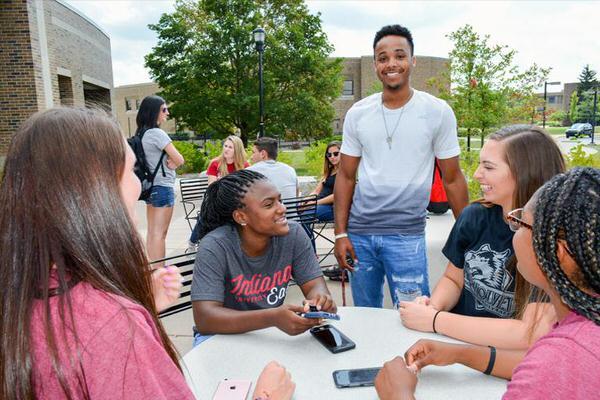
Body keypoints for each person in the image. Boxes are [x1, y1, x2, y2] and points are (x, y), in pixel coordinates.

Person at [0, 107, 295, 399]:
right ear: (95, 191)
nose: (139, 183)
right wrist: (267, 397)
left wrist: (140, 305)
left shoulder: (20, 297)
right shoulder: (112, 324)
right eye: (131, 170)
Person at [374, 167, 600, 400]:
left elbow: (548, 368)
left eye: (521, 223)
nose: (514, 231)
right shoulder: (583, 322)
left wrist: (398, 394)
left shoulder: (560, 362)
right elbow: (531, 358)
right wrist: (461, 354)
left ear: (558, 251)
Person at [334, 24, 469, 308]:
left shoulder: (437, 112)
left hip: (407, 236)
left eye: (399, 55)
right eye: (383, 58)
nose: (391, 63)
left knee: (413, 316)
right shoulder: (358, 113)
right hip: (361, 235)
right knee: (364, 314)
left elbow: (453, 179)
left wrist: (469, 233)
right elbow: (346, 177)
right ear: (375, 65)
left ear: (412, 60)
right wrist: (340, 233)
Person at [399, 125, 566, 349]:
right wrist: (431, 308)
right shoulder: (474, 216)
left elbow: (530, 332)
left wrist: (436, 321)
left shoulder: (553, 240)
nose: (477, 174)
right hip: (455, 343)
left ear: (525, 173)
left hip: (504, 358)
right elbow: (453, 279)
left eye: (488, 167)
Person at [190, 170, 337, 346]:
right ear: (241, 216)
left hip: (269, 333)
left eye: (280, 200)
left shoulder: (294, 234)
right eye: (269, 205)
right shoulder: (215, 246)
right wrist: (272, 317)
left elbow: (314, 285)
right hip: (220, 336)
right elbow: (206, 319)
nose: (282, 208)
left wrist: (320, 300)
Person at [136, 95, 184, 265]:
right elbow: (179, 159)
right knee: (160, 234)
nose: (167, 113)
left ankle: (152, 270)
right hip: (162, 188)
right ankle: (160, 272)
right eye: (164, 109)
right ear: (154, 112)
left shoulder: (142, 134)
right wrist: (173, 163)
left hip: (151, 188)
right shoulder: (157, 133)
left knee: (152, 232)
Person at [188, 135, 250, 249]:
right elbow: (211, 188)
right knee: (208, 213)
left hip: (235, 201)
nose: (226, 149)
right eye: (225, 146)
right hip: (216, 199)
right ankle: (193, 242)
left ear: (237, 150)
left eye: (230, 147)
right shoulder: (216, 163)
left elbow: (246, 188)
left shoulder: (244, 165)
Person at [309, 141, 341, 222]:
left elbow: (337, 196)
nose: (332, 157)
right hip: (319, 204)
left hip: (332, 207)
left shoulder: (345, 172)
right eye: (329, 155)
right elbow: (316, 191)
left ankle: (306, 235)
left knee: (307, 213)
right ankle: (308, 235)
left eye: (336, 154)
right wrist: (307, 200)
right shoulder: (329, 171)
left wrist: (315, 203)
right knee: (298, 209)